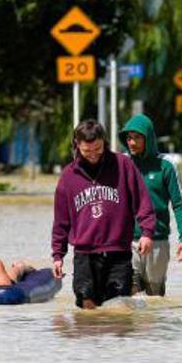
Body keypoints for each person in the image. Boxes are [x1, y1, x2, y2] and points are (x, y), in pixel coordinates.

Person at [51, 120, 155, 309]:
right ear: (77, 145)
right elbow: (61, 221)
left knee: (118, 306)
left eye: (97, 149)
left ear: (104, 142)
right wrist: (58, 255)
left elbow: (142, 201)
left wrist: (147, 233)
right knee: (86, 304)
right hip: (85, 254)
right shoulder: (68, 176)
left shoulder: (123, 165)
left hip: (119, 252)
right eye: (86, 151)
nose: (93, 155)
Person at [117, 114, 182, 296]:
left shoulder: (166, 166)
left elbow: (180, 204)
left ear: (148, 138)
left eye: (136, 137)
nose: (131, 142)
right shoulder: (122, 164)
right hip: (127, 242)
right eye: (128, 138)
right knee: (128, 291)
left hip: (157, 241)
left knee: (154, 297)